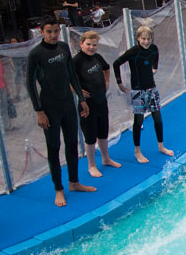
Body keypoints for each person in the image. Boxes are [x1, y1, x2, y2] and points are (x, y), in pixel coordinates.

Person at [26, 16, 97, 207]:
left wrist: (81, 100)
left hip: (67, 103)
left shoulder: (64, 47)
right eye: (49, 31)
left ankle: (74, 182)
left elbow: (71, 75)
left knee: (72, 143)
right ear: (41, 32)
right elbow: (30, 84)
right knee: (54, 147)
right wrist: (39, 110)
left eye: (55, 31)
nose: (53, 35)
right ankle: (59, 189)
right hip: (49, 107)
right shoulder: (36, 54)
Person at [114, 24, 173, 163]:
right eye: (143, 39)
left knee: (158, 118)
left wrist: (155, 68)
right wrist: (120, 83)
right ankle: (137, 151)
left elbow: (155, 59)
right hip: (138, 91)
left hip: (151, 88)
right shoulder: (133, 52)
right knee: (138, 120)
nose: (146, 41)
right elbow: (116, 63)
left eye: (148, 38)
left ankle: (161, 146)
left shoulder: (153, 49)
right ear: (138, 39)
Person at [73, 31, 121, 178]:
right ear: (81, 44)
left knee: (103, 133)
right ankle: (91, 165)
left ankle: (106, 158)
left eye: (94, 45)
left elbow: (107, 68)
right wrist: (78, 91)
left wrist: (107, 81)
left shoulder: (97, 57)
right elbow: (67, 79)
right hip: (87, 105)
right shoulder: (76, 61)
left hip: (101, 101)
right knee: (90, 136)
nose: (91, 47)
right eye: (88, 44)